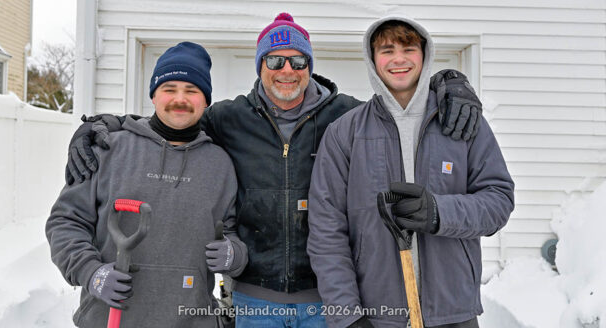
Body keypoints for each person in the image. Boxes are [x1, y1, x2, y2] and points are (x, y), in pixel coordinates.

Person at [62, 13, 483, 327]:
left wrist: (447, 83)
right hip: (254, 299)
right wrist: (104, 125)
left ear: (310, 66)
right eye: (276, 60)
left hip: (325, 298)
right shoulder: (229, 119)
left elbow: (397, 107)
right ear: (261, 65)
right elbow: (172, 118)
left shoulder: (346, 117)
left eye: (298, 61)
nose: (287, 71)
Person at [307, 14, 514, 328]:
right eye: (387, 50)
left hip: (452, 311)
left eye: (408, 49)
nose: (398, 59)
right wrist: (346, 315)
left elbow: (498, 202)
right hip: (378, 316)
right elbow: (326, 231)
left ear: (425, 54)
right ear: (372, 59)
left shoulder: (461, 122)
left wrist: (439, 212)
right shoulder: (345, 132)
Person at [46, 42, 248, 328]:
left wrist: (234, 254)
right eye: (169, 89)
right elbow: (66, 222)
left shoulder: (221, 164)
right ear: (153, 95)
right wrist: (91, 272)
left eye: (191, 91)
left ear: (206, 101)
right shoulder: (107, 149)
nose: (180, 99)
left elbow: (232, 232)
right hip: (109, 318)